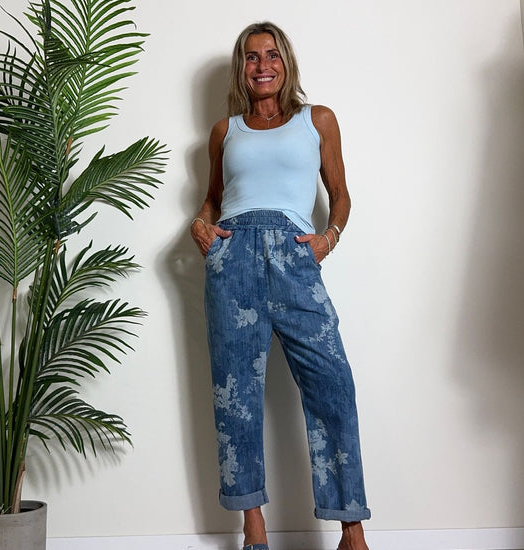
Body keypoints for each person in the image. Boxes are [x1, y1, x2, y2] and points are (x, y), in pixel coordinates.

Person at [190, 21, 371, 550]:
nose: (262, 65)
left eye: (271, 54)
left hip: (295, 257)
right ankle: (254, 529)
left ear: (286, 62)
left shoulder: (318, 120)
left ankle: (351, 531)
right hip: (233, 262)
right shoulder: (225, 131)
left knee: (333, 385)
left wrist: (328, 238)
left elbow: (340, 194)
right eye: (251, 57)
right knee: (236, 395)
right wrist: (200, 225)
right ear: (241, 68)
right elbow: (213, 198)